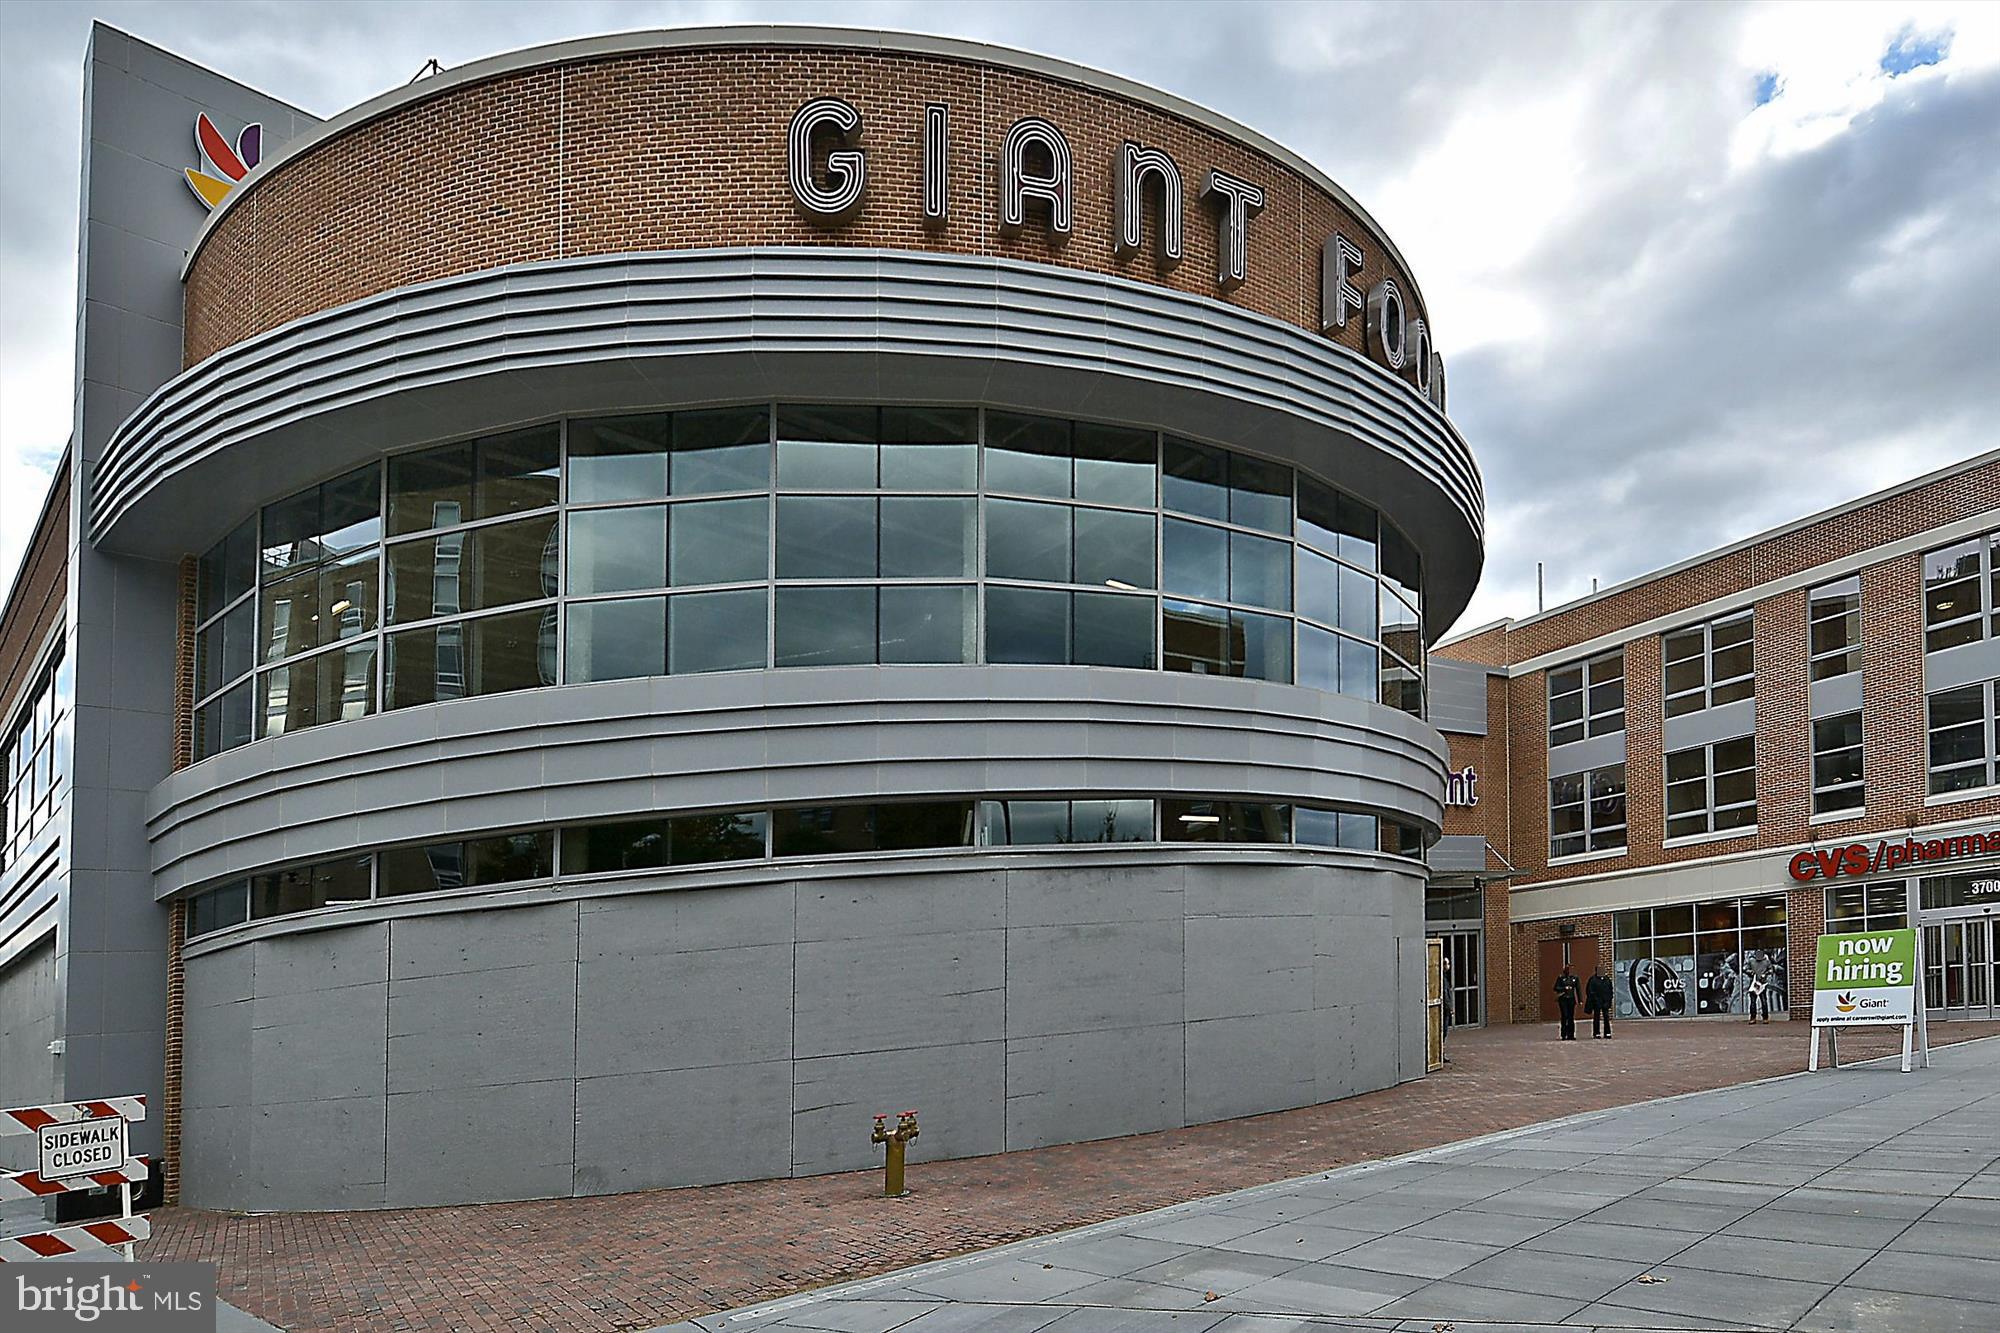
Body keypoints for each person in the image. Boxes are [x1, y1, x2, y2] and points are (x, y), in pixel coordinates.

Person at [1554, 965, 1581, 1040]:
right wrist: (1564, 988)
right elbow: (1556, 987)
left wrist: (1580, 1000)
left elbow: (1578, 989)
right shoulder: (1561, 978)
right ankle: (1563, 1034)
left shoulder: (1574, 978)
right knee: (1564, 1016)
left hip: (1571, 999)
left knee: (1571, 1017)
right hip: (1563, 999)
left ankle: (1571, 1034)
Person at [1585, 966, 1614, 1038]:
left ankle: (1607, 1033)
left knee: (1606, 1017)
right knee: (1596, 1017)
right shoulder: (1593, 980)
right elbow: (1590, 991)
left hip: (1605, 1001)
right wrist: (1595, 999)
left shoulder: (1607, 979)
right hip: (1596, 1002)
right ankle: (1596, 1033)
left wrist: (1609, 1000)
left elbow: (1610, 990)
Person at [1746, 950, 1773, 1023]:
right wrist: (1751, 972)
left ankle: (1765, 1017)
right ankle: (1753, 1017)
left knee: (1763, 1001)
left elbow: (1771, 969)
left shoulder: (1766, 962)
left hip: (1762, 984)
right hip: (1753, 983)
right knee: (1753, 1002)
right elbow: (1745, 969)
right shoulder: (1751, 961)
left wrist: (1766, 974)